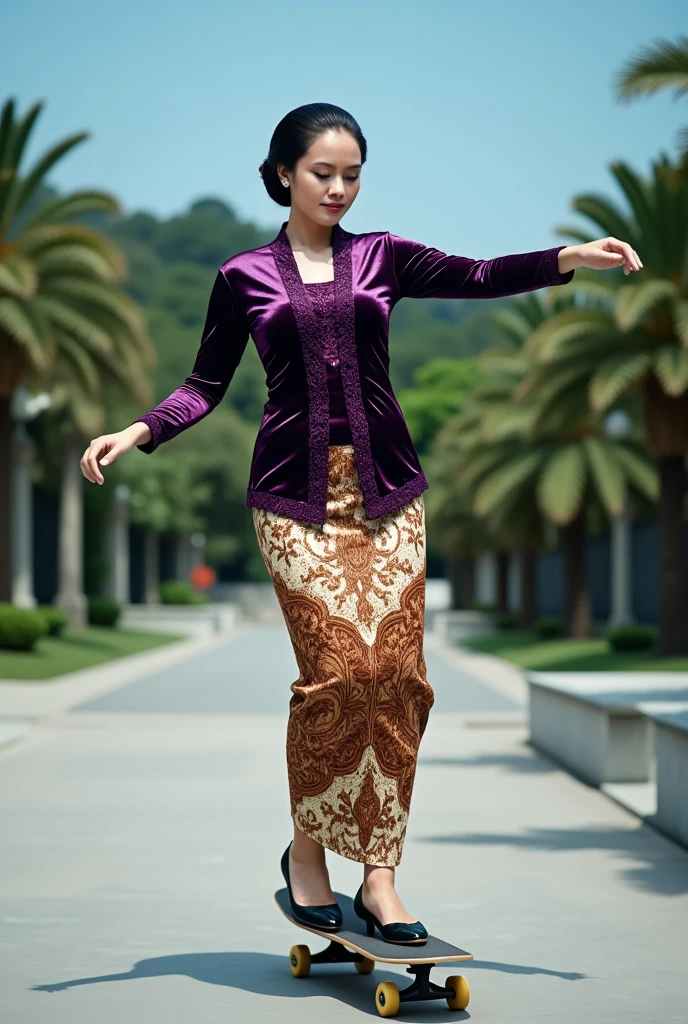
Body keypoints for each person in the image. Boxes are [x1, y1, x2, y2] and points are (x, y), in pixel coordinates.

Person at [79, 102, 643, 945]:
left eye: (352, 175)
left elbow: (479, 275)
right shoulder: (242, 276)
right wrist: (140, 429)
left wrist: (568, 258)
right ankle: (309, 853)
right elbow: (206, 383)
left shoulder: (383, 257)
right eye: (321, 174)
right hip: (293, 501)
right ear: (282, 174)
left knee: (401, 679)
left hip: (388, 494)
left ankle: (380, 877)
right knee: (338, 676)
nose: (338, 189)